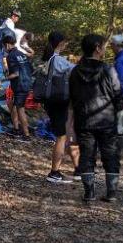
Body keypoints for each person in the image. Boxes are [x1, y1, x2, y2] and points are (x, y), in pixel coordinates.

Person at [69, 34, 123, 202]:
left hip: (84, 120)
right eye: (103, 46)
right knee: (111, 155)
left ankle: (89, 192)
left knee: (86, 155)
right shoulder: (108, 70)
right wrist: (119, 115)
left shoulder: (74, 71)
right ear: (97, 48)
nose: (105, 49)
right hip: (107, 120)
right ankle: (112, 192)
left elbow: (71, 98)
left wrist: (70, 124)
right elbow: (118, 93)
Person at [43, 32, 80, 183]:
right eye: (64, 42)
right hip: (58, 102)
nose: (65, 45)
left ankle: (79, 168)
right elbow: (76, 71)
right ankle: (54, 172)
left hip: (52, 102)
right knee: (62, 137)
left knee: (67, 134)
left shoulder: (49, 58)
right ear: (59, 43)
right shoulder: (57, 60)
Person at [3, 32, 33, 139]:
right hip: (27, 82)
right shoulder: (20, 53)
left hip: (20, 85)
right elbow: (30, 68)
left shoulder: (10, 56)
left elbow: (15, 74)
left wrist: (4, 78)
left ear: (7, 45)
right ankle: (16, 129)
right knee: (14, 106)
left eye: (4, 46)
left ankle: (26, 135)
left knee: (20, 109)